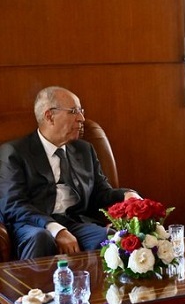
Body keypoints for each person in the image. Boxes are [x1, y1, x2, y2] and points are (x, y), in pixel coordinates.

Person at [0, 86, 141, 259]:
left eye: (81, 111)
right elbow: (14, 205)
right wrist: (56, 230)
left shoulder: (84, 150)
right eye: (74, 111)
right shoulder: (14, 152)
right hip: (33, 224)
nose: (81, 118)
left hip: (75, 222)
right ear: (49, 116)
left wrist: (127, 194)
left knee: (111, 241)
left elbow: (100, 192)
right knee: (41, 238)